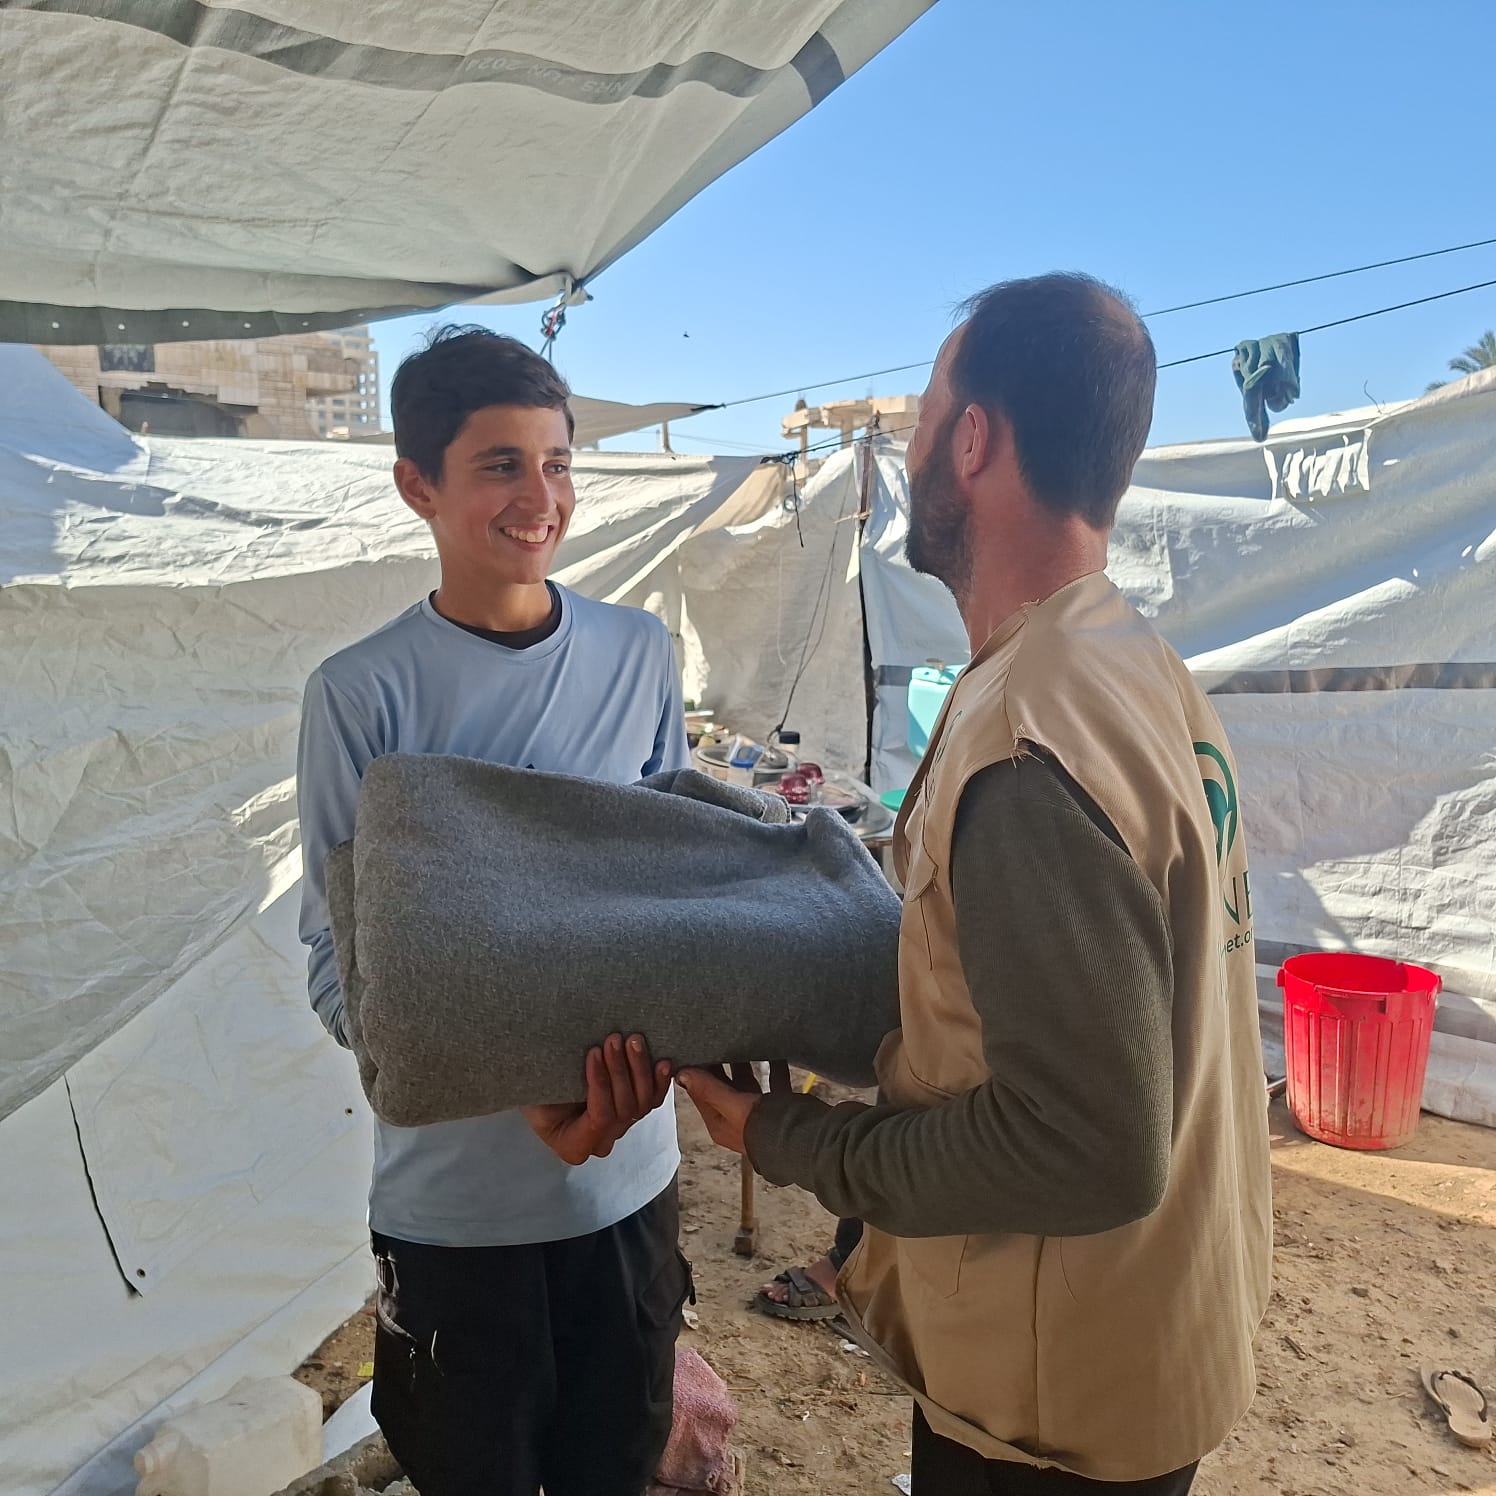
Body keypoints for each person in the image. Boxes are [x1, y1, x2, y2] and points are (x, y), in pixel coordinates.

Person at [680, 273, 1272, 1494]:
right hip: (1149, 1330)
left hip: (1050, 1399)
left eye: (921, 417)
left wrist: (783, 1133)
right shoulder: (1132, 662)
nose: (907, 452)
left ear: (971, 440)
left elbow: (1082, 1145)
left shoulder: (1024, 733)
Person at [297, 327, 690, 1496]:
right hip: (457, 1215)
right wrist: (519, 1084)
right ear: (417, 484)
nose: (541, 497)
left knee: (615, 1469)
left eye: (556, 461)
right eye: (500, 464)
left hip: (627, 1187)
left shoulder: (640, 653)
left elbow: (673, 895)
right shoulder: (362, 693)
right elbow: (336, 965)